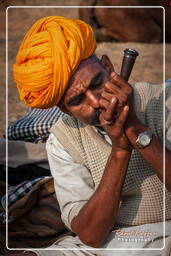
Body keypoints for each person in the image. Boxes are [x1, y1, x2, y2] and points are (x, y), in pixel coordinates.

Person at [8, 16, 171, 256]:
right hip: (117, 240)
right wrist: (120, 149)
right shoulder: (62, 140)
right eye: (77, 100)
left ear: (108, 67)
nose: (94, 102)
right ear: (64, 109)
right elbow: (91, 235)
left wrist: (135, 129)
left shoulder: (163, 101)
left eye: (96, 83)